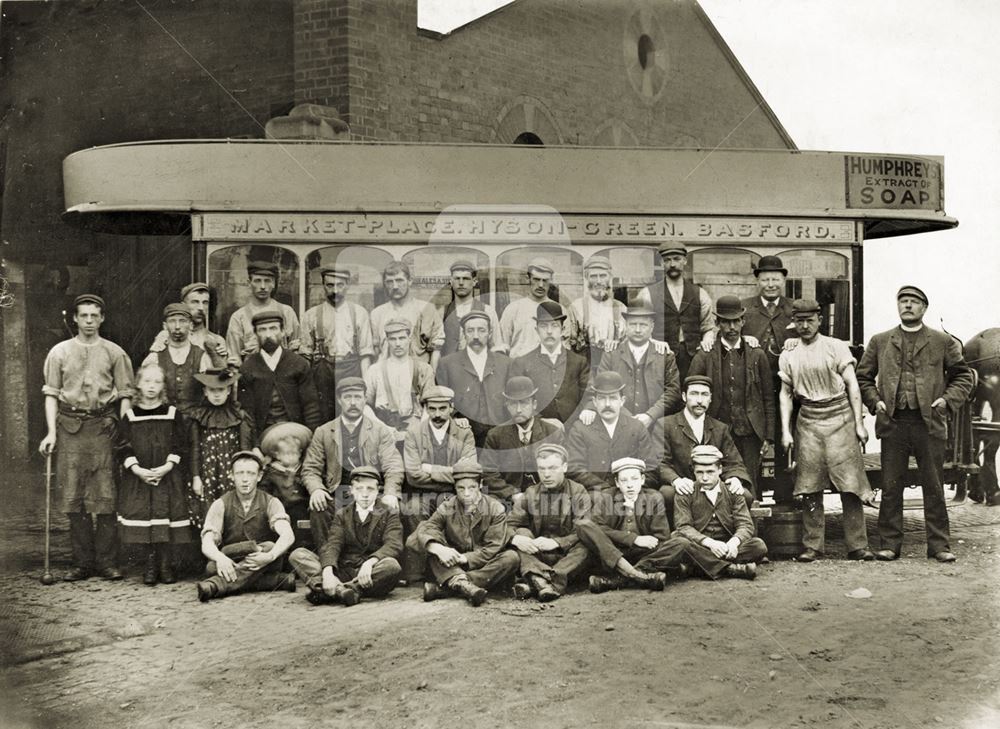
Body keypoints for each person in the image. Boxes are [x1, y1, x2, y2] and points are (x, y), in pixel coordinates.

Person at [856, 286, 975, 562]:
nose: (907, 306)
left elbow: (963, 377)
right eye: (903, 301)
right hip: (894, 424)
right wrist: (876, 402)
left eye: (913, 302)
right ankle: (889, 544)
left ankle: (939, 546)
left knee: (933, 485)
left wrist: (946, 401)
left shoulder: (942, 341)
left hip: (929, 423)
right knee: (891, 485)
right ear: (898, 306)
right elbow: (863, 377)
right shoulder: (881, 340)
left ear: (924, 308)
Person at [39, 293, 135, 581]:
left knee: (106, 496)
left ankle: (106, 562)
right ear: (75, 318)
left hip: (103, 428)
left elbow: (127, 394)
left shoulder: (115, 353)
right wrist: (51, 433)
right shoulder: (59, 352)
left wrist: (121, 426)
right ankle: (81, 563)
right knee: (74, 497)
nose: (90, 321)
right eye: (84, 316)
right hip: (69, 428)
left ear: (102, 318)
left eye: (95, 316)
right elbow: (51, 396)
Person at [778, 299, 875, 562]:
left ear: (820, 320)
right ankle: (813, 545)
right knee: (809, 485)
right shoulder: (789, 353)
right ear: (794, 323)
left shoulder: (836, 346)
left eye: (810, 320)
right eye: (800, 321)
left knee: (850, 485)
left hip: (840, 417)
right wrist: (786, 431)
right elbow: (785, 394)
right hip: (808, 420)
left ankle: (857, 546)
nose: (805, 326)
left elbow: (853, 386)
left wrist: (859, 423)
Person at [688, 295, 775, 499]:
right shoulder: (705, 355)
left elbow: (767, 398)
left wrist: (768, 436)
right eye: (726, 322)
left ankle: (749, 528)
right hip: (716, 430)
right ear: (717, 323)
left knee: (749, 482)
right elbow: (692, 393)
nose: (732, 327)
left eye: (736, 321)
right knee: (716, 480)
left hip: (749, 431)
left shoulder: (756, 354)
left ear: (743, 321)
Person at [302, 377, 404, 548]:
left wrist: (390, 492)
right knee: (318, 508)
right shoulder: (324, 431)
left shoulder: (380, 431)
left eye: (357, 397)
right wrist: (317, 489)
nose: (353, 402)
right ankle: (327, 563)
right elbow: (311, 468)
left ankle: (370, 562)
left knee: (390, 507)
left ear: (365, 399)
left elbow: (393, 465)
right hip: (338, 493)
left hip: (370, 493)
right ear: (340, 400)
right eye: (348, 397)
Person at [115, 363, 192, 585]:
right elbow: (123, 446)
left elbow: (180, 444)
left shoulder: (172, 414)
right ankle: (149, 565)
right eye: (147, 381)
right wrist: (137, 470)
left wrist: (167, 466)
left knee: (164, 516)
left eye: (157, 382)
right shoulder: (130, 415)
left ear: (163, 386)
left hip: (167, 475)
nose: (151, 386)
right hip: (140, 477)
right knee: (146, 518)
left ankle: (165, 564)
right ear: (138, 384)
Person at [288, 466, 403, 606]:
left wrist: (370, 562)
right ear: (352, 491)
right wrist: (328, 571)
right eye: (359, 489)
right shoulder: (343, 514)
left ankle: (333, 590)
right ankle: (344, 591)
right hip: (344, 570)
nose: (365, 494)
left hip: (371, 573)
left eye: (370, 489)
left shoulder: (389, 513)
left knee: (392, 566)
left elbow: (394, 544)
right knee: (298, 555)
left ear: (378, 490)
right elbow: (333, 544)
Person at [410, 462, 520, 606]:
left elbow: (493, 548)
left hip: (482, 564)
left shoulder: (495, 508)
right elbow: (425, 529)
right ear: (454, 488)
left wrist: (464, 558)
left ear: (480, 484)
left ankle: (454, 586)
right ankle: (464, 585)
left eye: (472, 487)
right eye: (461, 488)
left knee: (511, 558)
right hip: (453, 564)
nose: (466, 493)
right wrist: (439, 549)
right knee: (432, 551)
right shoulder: (448, 506)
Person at [196, 450, 297, 601]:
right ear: (231, 475)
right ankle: (273, 581)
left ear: (259, 476)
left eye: (250, 473)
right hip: (232, 558)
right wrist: (220, 558)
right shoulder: (220, 504)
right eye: (240, 473)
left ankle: (215, 585)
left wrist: (270, 556)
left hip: (263, 559)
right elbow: (207, 542)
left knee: (269, 545)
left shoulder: (271, 502)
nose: (245, 479)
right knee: (212, 566)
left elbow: (288, 535)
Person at [654, 376, 753, 526]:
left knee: (743, 494)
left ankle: (729, 537)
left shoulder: (720, 428)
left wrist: (735, 478)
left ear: (710, 398)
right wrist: (676, 480)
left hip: (712, 485)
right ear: (684, 396)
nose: (699, 400)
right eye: (694, 394)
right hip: (684, 485)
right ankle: (675, 540)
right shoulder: (666, 425)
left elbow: (734, 463)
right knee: (666, 494)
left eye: (704, 395)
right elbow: (660, 462)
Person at [576, 457, 685, 592]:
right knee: (583, 525)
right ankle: (639, 576)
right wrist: (634, 539)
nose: (629, 485)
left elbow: (662, 537)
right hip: (613, 551)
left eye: (634, 479)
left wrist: (646, 541)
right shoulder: (606, 497)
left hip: (645, 555)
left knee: (680, 543)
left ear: (642, 480)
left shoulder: (654, 497)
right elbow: (598, 527)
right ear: (617, 482)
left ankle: (617, 579)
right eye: (624, 480)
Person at [741, 256, 796, 502]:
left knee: (787, 436)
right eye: (765, 279)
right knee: (754, 439)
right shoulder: (745, 308)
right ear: (757, 281)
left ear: (783, 280)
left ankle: (785, 497)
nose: (770, 284)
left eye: (775, 279)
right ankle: (752, 497)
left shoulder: (795, 309)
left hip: (787, 386)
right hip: (753, 387)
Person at [508, 443, 593, 602]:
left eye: (553, 468)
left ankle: (539, 580)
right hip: (537, 555)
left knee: (587, 545)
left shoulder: (578, 491)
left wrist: (556, 542)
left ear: (565, 467)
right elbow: (510, 524)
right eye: (542, 469)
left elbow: (583, 530)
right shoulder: (531, 493)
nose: (546, 474)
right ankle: (546, 583)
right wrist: (517, 539)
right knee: (521, 533)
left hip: (568, 558)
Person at [577, 302, 681, 431]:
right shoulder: (611, 353)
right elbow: (601, 386)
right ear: (625, 326)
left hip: (657, 425)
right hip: (619, 423)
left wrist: (650, 416)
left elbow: (673, 391)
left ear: (652, 327)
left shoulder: (664, 355)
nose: (637, 329)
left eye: (643, 325)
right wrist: (626, 417)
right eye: (633, 324)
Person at [672, 445, 767, 580]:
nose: (704, 478)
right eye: (699, 472)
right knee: (679, 541)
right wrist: (710, 543)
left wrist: (733, 543)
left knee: (758, 546)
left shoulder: (732, 490)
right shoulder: (686, 492)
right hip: (700, 545)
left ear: (720, 469)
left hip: (726, 545)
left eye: (710, 472)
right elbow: (683, 527)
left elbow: (745, 524)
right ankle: (731, 569)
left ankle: (696, 568)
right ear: (693, 471)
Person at [299, 266, 374, 422]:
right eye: (330, 285)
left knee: (351, 415)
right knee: (323, 416)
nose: (335, 290)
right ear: (323, 285)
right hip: (322, 373)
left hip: (351, 369)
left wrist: (365, 385)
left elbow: (365, 354)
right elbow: (305, 355)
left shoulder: (359, 313)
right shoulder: (311, 315)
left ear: (347, 285)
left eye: (340, 285)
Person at [401, 386, 478, 535]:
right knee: (413, 509)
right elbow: (413, 476)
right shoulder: (414, 433)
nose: (437, 414)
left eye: (442, 408)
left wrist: (429, 468)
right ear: (425, 409)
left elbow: (468, 473)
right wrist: (452, 472)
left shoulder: (464, 433)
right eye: (432, 409)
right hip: (423, 495)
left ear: (451, 408)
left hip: (453, 494)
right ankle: (423, 554)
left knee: (459, 510)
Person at [566, 371, 660, 492]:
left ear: (622, 401)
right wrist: (605, 489)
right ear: (594, 402)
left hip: (631, 493)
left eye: (613, 398)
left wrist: (628, 488)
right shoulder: (580, 429)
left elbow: (651, 468)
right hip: (595, 494)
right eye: (602, 398)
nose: (607, 404)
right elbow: (575, 469)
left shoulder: (636, 427)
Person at [186, 369, 257, 529]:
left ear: (229, 391)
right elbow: (195, 449)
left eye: (221, 390)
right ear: (205, 391)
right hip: (207, 472)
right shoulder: (198, 416)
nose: (216, 395)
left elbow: (245, 450)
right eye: (212, 390)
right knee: (208, 514)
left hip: (230, 473)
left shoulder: (238, 416)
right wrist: (196, 477)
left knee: (232, 512)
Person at [480, 376, 565, 506]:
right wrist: (512, 494)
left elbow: (562, 470)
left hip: (547, 497)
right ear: (507, 406)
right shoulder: (496, 435)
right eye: (513, 404)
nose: (518, 409)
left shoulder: (552, 432)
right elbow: (488, 473)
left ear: (534, 404)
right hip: (510, 500)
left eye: (524, 403)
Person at [638, 244, 715, 380]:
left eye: (677, 259)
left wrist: (708, 339)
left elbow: (708, 326)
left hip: (692, 359)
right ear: (662, 263)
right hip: (658, 359)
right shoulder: (647, 294)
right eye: (667, 260)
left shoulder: (700, 294)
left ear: (685, 261)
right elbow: (638, 328)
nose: (672, 264)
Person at [237, 309, 322, 432]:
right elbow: (248, 414)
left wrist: (309, 438)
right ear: (255, 334)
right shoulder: (248, 368)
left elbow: (311, 406)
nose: (268, 335)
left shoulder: (299, 364)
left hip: (296, 433)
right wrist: (255, 446)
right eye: (262, 329)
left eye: (273, 328)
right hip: (263, 436)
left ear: (283, 332)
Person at [436, 310, 511, 445]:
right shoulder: (447, 364)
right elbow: (442, 400)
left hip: (499, 435)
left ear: (489, 333)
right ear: (464, 333)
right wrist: (453, 419)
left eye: (481, 330)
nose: (476, 336)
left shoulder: (505, 363)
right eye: (470, 330)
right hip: (462, 435)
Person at [509, 301, 589, 424]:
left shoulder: (578, 362)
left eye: (554, 325)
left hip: (573, 429)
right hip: (537, 431)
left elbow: (588, 396)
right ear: (537, 330)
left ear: (562, 330)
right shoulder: (522, 363)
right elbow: (518, 402)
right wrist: (542, 423)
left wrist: (584, 413)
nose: (549, 331)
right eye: (544, 326)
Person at [363, 319, 437, 438]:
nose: (398, 344)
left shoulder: (423, 369)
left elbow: (431, 404)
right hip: (384, 429)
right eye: (393, 339)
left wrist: (420, 430)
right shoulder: (374, 370)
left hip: (415, 428)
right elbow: (364, 405)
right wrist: (382, 428)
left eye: (402, 338)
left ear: (409, 339)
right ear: (387, 341)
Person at [370, 261, 445, 369]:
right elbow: (376, 352)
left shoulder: (426, 309)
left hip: (418, 374)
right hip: (387, 374)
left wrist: (430, 378)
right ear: (385, 284)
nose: (395, 286)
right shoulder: (377, 314)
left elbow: (436, 349)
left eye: (399, 280)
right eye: (389, 282)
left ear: (410, 281)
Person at [141, 303, 213, 414]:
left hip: (195, 420)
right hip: (165, 420)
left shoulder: (202, 356)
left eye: (182, 321)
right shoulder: (155, 357)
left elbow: (212, 390)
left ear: (191, 325)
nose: (177, 326)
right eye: (172, 321)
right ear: (165, 326)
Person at [225, 261, 300, 365]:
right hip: (251, 376)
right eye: (257, 281)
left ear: (274, 283)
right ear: (249, 283)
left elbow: (296, 351)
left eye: (267, 281)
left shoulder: (287, 312)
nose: (263, 286)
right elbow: (234, 356)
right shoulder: (239, 317)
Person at [148, 282, 232, 370]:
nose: (201, 308)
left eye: (205, 303)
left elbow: (222, 377)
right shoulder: (166, 336)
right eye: (195, 302)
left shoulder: (217, 340)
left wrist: (219, 358)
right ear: (183, 305)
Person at [498, 257, 570, 358]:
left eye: (545, 280)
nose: (540, 285)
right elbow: (502, 346)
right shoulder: (513, 309)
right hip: (519, 370)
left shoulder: (560, 311)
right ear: (528, 279)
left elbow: (565, 348)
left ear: (551, 280)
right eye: (536, 279)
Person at [566, 256, 627, 373]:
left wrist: (617, 344)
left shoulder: (620, 308)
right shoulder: (576, 307)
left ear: (610, 277)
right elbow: (568, 345)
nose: (598, 281)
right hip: (584, 371)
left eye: (603, 276)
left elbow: (629, 343)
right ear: (586, 278)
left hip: (614, 370)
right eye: (594, 276)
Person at [258, 422, 313, 547]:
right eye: (287, 454)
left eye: (294, 454)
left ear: (300, 453)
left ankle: (303, 548)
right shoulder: (272, 472)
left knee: (303, 530)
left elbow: (309, 487)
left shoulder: (304, 470)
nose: (291, 458)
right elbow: (264, 492)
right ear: (277, 455)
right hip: (281, 508)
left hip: (302, 509)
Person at [439, 260, 506, 357]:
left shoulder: (487, 311)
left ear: (474, 282)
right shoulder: (442, 312)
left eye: (466, 278)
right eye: (457, 278)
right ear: (451, 281)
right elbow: (436, 350)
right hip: (449, 370)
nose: (461, 283)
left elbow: (496, 347)